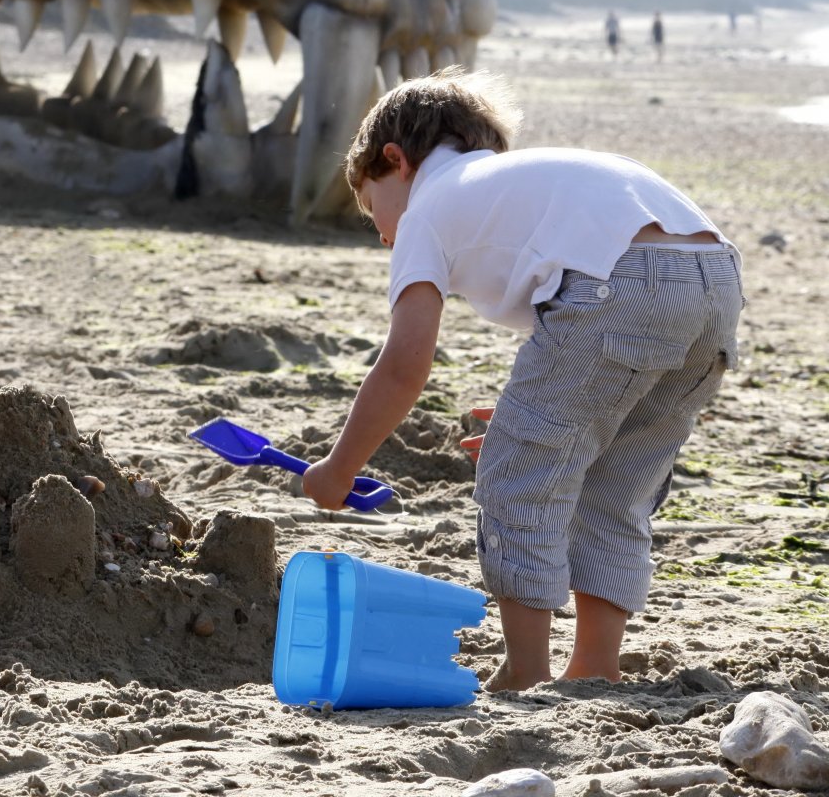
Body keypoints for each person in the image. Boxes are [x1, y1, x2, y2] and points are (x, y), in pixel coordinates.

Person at [304, 70, 741, 692]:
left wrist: (340, 468)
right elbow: (593, 365)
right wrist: (533, 425)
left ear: (396, 161)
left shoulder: (427, 205)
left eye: (374, 207)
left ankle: (527, 673)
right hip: (717, 280)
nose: (383, 234)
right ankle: (594, 665)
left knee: (517, 476)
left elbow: (404, 365)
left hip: (620, 280)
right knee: (615, 484)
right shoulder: (524, 177)